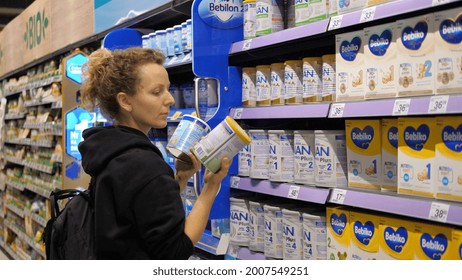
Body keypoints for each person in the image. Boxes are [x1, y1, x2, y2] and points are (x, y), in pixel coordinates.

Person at [78, 47, 231, 259]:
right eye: (156, 92)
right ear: (125, 101)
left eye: (168, 89)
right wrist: (210, 187)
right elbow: (176, 251)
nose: (169, 99)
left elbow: (139, 214)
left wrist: (179, 179)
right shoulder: (145, 164)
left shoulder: (110, 150)